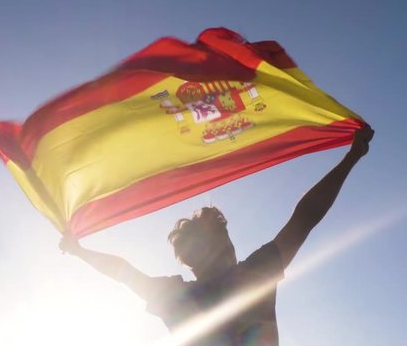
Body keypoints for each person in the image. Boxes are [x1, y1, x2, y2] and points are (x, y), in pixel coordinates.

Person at [59, 125, 374, 346]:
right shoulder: (195, 291)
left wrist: (350, 159)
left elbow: (304, 219)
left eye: (226, 241)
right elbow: (124, 273)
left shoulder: (246, 275)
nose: (227, 250)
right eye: (218, 244)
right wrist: (80, 251)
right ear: (192, 258)